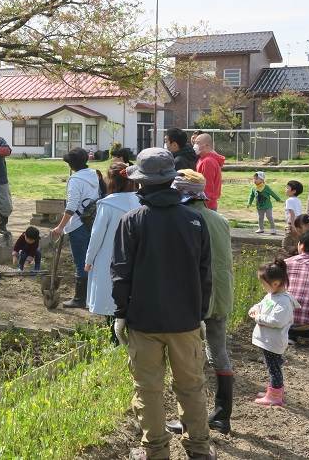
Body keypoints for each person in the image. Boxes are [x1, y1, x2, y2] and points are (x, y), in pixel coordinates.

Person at [111, 147, 214, 460]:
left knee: (149, 390)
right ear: (171, 180)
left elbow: (120, 273)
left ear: (140, 183)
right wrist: (200, 314)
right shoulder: (195, 221)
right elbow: (205, 274)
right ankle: (198, 449)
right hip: (185, 320)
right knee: (191, 386)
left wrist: (120, 313)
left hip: (144, 320)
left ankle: (155, 451)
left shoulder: (132, 221)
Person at [167, 169, 235, 435]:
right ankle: (222, 414)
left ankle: (190, 419)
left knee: (189, 360)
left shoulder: (185, 219)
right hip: (221, 296)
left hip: (194, 298)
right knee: (218, 352)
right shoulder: (220, 220)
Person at [83, 162, 140, 342]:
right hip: (137, 256)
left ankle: (115, 339)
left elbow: (97, 235)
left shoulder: (108, 204)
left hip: (110, 256)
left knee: (112, 298)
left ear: (111, 182)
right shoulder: (140, 200)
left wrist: (89, 259)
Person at [52, 147, 101, 309]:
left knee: (81, 261)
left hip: (79, 224)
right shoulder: (94, 174)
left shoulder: (75, 180)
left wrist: (60, 227)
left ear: (71, 165)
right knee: (91, 259)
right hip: (93, 221)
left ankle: (80, 299)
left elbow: (71, 206)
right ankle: (92, 295)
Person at [249, 258, 299, 407]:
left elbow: (277, 321)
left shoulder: (283, 302)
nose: (263, 287)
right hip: (268, 341)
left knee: (274, 369)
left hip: (273, 342)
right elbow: (263, 303)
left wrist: (258, 318)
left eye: (264, 284)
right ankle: (273, 391)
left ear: (276, 284)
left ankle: (275, 396)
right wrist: (255, 307)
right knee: (273, 365)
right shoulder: (273, 295)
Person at [194, 133, 224, 210]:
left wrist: (203, 206)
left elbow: (207, 188)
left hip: (206, 206)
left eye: (197, 143)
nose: (195, 145)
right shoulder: (202, 159)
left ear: (207, 145)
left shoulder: (208, 162)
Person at [284, 180, 304, 253]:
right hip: (299, 224)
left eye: (287, 188)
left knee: (285, 245)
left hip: (291, 224)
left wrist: (292, 226)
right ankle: (296, 255)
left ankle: (292, 256)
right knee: (296, 243)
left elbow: (292, 214)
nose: (285, 190)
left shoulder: (289, 200)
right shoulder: (298, 200)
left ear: (293, 191)